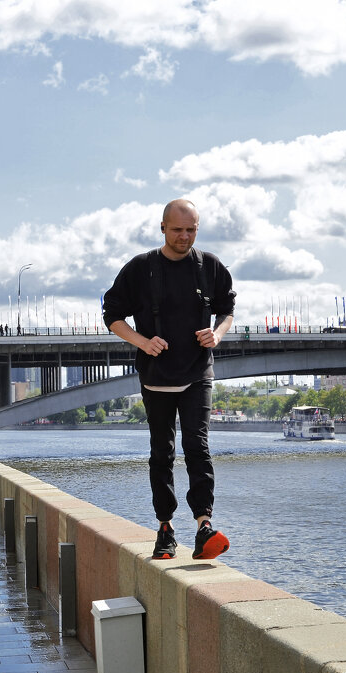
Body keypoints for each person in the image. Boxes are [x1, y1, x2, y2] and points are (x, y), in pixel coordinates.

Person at [101, 199, 235, 561]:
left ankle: (204, 525)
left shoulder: (211, 268)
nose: (184, 236)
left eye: (191, 229)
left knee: (198, 446)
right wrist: (142, 341)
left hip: (196, 373)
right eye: (177, 229)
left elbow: (227, 310)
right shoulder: (141, 269)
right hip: (156, 377)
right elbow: (111, 315)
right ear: (163, 228)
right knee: (162, 452)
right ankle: (165, 528)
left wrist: (218, 334)